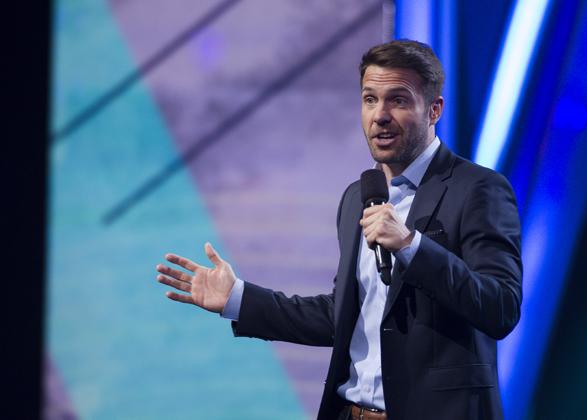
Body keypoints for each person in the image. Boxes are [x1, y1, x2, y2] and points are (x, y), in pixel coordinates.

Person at [156, 40, 522, 420]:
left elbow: (501, 308)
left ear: (434, 110)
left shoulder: (478, 190)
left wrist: (411, 246)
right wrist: (238, 299)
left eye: (397, 100)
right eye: (369, 99)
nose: (380, 115)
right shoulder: (356, 198)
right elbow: (341, 315)